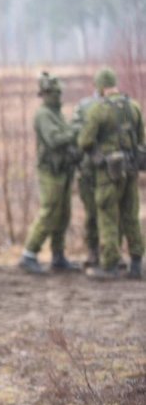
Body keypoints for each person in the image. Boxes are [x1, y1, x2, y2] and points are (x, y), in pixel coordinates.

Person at [77, 67, 144, 279]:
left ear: (100, 87)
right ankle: (136, 263)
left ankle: (110, 265)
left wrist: (99, 157)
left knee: (107, 216)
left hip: (108, 174)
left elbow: (84, 141)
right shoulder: (134, 107)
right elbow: (142, 140)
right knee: (131, 216)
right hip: (131, 171)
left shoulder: (98, 110)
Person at [18, 72, 81, 274]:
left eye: (59, 92)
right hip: (50, 172)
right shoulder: (44, 114)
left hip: (63, 169)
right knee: (49, 211)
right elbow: (54, 140)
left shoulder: (57, 113)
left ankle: (58, 256)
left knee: (63, 214)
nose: (59, 96)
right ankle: (29, 253)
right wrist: (74, 132)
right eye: (56, 92)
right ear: (47, 93)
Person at [71, 81, 102, 268]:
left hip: (107, 171)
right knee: (92, 213)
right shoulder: (84, 107)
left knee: (108, 214)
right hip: (88, 169)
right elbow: (77, 136)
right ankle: (94, 251)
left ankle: (108, 253)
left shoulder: (114, 107)